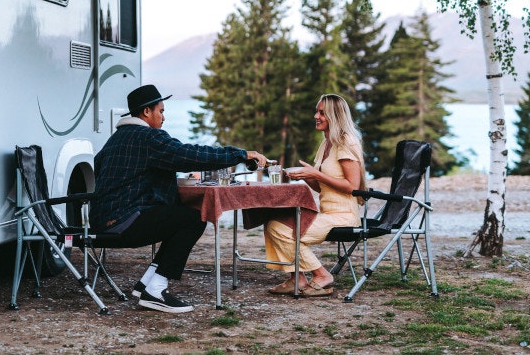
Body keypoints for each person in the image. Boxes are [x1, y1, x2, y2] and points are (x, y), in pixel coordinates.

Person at [91, 84, 269, 313]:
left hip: (102, 222)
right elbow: (192, 155)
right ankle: (156, 291)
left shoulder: (114, 140)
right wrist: (240, 154)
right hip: (124, 223)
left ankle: (146, 284)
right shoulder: (149, 137)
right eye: (161, 111)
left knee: (175, 217)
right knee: (193, 219)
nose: (163, 117)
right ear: (146, 112)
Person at [264, 93, 367, 297]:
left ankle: (322, 275)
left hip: (344, 216)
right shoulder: (326, 143)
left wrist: (315, 174)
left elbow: (352, 186)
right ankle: (297, 278)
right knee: (273, 223)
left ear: (334, 116)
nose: (316, 116)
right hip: (327, 213)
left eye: (322, 113)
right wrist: (305, 176)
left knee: (281, 229)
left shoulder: (346, 142)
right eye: (316, 111)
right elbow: (322, 188)